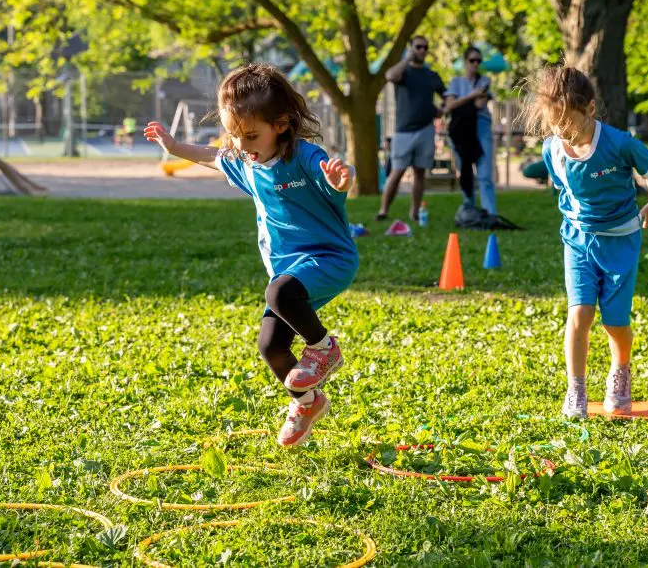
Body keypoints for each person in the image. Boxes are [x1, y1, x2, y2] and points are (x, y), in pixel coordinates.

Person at [144, 64, 357, 446]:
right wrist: (174, 148)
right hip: (291, 273)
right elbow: (214, 156)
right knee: (271, 346)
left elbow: (332, 173)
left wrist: (342, 180)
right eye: (235, 135)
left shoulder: (304, 157)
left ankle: (325, 349)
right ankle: (307, 403)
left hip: (329, 259)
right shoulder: (249, 162)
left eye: (251, 135)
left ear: (281, 124)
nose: (242, 145)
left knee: (278, 293)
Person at [523, 66, 648, 419]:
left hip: (620, 241)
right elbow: (564, 187)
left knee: (614, 322)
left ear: (589, 109)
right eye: (554, 125)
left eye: (568, 123)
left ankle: (620, 370)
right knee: (580, 313)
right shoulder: (552, 150)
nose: (562, 132)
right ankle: (576, 387)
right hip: (577, 240)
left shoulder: (619, 143)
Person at [376, 35, 446, 222]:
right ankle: (383, 210)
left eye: (425, 47)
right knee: (397, 172)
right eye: (418, 47)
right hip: (403, 131)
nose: (422, 50)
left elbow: (447, 96)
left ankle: (414, 212)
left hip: (426, 130)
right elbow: (389, 76)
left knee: (419, 173)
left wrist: (442, 109)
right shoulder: (404, 73)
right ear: (411, 48)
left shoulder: (431, 75)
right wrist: (407, 58)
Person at [445, 46, 497, 215]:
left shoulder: (484, 81)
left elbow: (479, 105)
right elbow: (449, 106)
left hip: (481, 126)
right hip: (461, 131)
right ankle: (470, 210)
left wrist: (465, 99)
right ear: (465, 61)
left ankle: (490, 212)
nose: (476, 64)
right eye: (472, 60)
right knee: (465, 170)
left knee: (484, 173)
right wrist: (472, 95)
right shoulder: (456, 82)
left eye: (479, 61)